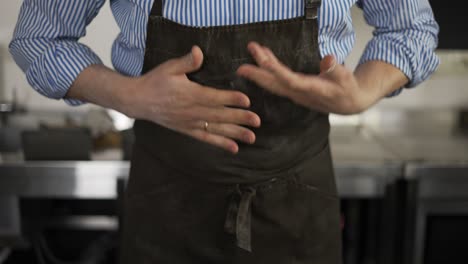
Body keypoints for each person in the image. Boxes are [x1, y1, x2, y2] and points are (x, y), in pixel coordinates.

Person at [10, 0, 439, 263]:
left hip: (299, 217)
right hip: (165, 211)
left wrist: (363, 91)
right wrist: (130, 96)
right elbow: (39, 38)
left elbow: (412, 29)